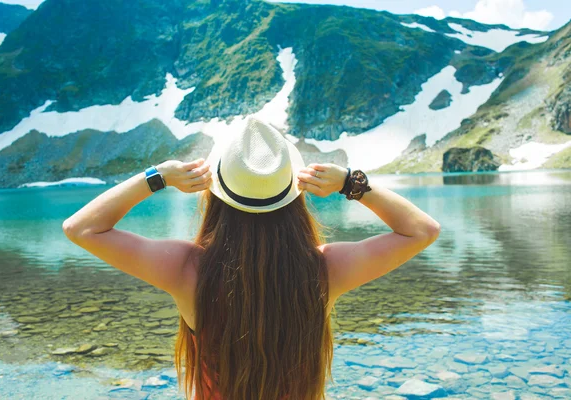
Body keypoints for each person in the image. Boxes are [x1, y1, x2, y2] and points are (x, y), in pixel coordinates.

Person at [62, 116, 441, 400]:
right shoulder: (326, 270)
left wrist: (158, 176)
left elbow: (82, 228)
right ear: (294, 195)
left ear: (215, 195)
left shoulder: (186, 269)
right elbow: (422, 230)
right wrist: (350, 183)